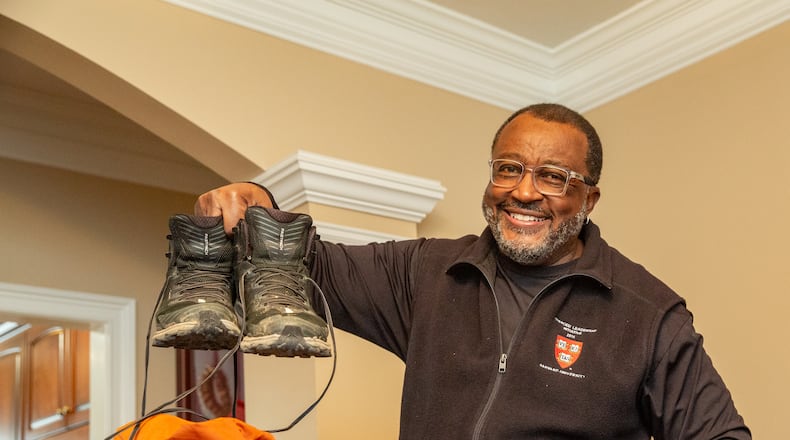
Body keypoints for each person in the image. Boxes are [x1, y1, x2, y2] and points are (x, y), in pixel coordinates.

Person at [193, 103, 750, 439]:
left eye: (552, 177)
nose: (524, 191)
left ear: (590, 198)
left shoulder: (649, 315)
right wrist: (255, 201)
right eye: (509, 168)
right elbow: (312, 266)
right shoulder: (427, 271)